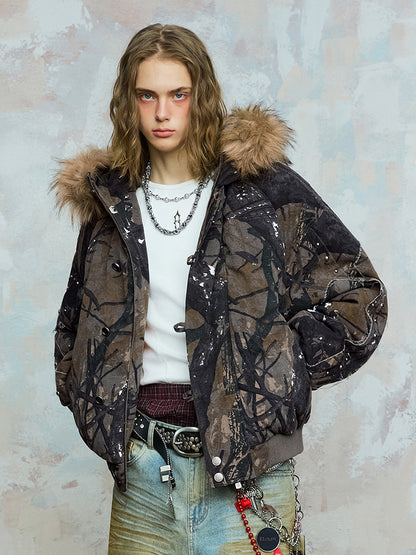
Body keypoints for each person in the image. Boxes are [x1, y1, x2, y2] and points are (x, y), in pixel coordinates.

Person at [52, 24, 387, 555]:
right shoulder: (110, 204)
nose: (163, 113)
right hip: (143, 475)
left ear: (201, 96)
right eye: (147, 95)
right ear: (128, 102)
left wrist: (280, 373)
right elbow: (75, 323)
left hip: (250, 475)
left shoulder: (260, 191)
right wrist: (93, 403)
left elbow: (359, 294)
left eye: (178, 94)